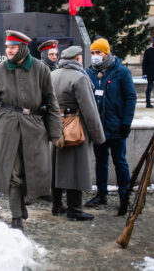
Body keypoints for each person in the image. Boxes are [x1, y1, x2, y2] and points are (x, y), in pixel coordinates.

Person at [0, 30, 62, 231]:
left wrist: (55, 132)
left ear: (23, 48)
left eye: (13, 47)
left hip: (34, 127)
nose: (9, 51)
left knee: (31, 169)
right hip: (7, 127)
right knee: (13, 172)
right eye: (7, 47)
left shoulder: (41, 69)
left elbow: (51, 102)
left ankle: (23, 202)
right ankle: (16, 216)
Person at [51, 46, 106, 221]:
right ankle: (74, 210)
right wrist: (98, 136)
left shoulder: (52, 75)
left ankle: (57, 205)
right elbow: (90, 110)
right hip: (75, 126)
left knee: (56, 167)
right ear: (77, 59)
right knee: (76, 167)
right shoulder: (80, 77)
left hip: (56, 125)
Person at [85, 37, 137, 208]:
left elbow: (130, 97)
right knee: (100, 162)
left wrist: (126, 123)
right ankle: (101, 195)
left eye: (98, 52)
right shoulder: (90, 72)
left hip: (115, 126)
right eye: (93, 53)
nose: (95, 56)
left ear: (106, 54)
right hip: (98, 127)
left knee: (119, 161)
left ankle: (125, 195)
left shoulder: (121, 72)